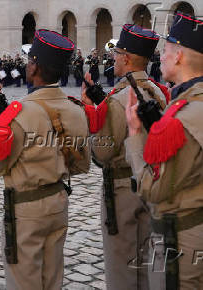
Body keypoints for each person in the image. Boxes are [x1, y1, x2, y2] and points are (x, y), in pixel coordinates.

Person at [0, 29, 90, 289]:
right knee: (52, 280)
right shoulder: (75, 109)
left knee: (24, 281)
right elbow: (82, 164)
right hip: (58, 203)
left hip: (26, 211)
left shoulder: (19, 114)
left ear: (35, 67)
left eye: (29, 61)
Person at [81, 24, 169, 290]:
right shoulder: (159, 93)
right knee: (150, 266)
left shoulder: (119, 99)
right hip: (152, 186)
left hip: (121, 191)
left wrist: (90, 114)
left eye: (117, 53)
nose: (113, 57)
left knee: (122, 269)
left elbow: (102, 153)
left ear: (127, 58)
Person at [125, 13, 203, 290]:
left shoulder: (182, 117)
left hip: (181, 243)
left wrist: (135, 134)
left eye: (166, 50)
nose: (161, 57)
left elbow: (153, 189)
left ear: (179, 56)